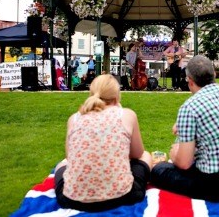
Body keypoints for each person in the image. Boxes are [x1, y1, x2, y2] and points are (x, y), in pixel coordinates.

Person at [150, 55, 219, 202]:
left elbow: (184, 163)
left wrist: (174, 155)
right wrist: (183, 125)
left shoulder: (190, 107)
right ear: (214, 75)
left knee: (159, 170)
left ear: (190, 82)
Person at [54, 74, 153, 212]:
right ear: (117, 96)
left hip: (73, 199)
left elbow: (70, 158)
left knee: (63, 163)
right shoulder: (126, 115)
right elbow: (138, 154)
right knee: (146, 156)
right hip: (122, 196)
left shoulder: (74, 118)